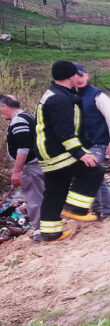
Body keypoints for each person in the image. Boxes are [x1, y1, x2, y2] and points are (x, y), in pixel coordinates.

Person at [36, 60, 105, 242]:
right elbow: (64, 132)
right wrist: (81, 153)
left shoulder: (54, 94)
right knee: (94, 171)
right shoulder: (60, 99)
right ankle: (76, 208)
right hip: (56, 151)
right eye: (77, 74)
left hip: (46, 152)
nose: (79, 77)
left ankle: (50, 232)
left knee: (55, 190)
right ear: (70, 76)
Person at [73, 63, 110, 221]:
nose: (79, 79)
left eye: (81, 75)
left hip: (99, 142)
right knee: (96, 175)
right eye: (75, 76)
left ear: (87, 75)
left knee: (90, 172)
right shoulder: (70, 96)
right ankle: (102, 210)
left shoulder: (98, 96)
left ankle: (101, 210)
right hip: (81, 145)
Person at [0, 94, 45, 241]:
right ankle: (47, 226)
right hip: (36, 164)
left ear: (5, 106)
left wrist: (17, 171)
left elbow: (24, 148)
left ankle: (40, 231)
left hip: (30, 166)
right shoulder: (26, 117)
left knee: (33, 199)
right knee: (39, 195)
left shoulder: (19, 120)